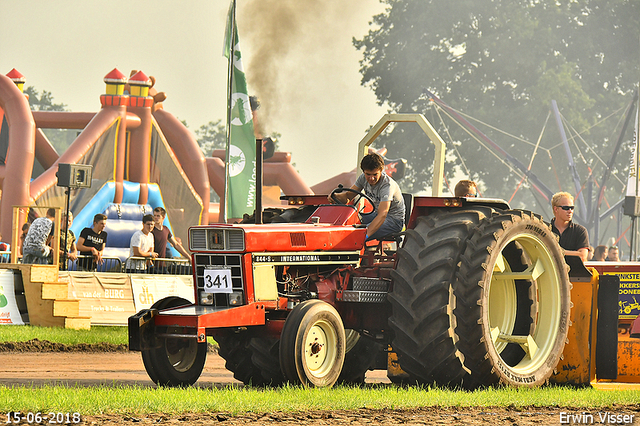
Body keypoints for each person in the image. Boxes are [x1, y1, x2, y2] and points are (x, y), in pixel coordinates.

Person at [328, 152, 405, 241]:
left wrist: (364, 235)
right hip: (376, 215)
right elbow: (348, 197)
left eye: (375, 174)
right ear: (364, 171)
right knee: (350, 221)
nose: (371, 178)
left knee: (356, 234)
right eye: (368, 174)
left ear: (381, 170)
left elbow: (383, 214)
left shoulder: (387, 185)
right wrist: (335, 196)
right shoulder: (362, 178)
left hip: (393, 221)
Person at [550, 192, 589, 263]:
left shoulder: (580, 231)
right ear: (556, 209)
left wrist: (557, 251)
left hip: (574, 273)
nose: (570, 211)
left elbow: (583, 256)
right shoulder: (545, 230)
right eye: (566, 208)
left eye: (572, 208)